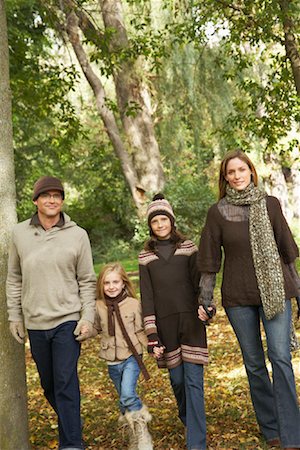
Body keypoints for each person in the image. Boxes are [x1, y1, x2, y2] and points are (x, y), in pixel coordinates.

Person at [197, 150, 300, 450]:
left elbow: (287, 252)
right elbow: (209, 261)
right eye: (232, 172)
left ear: (251, 172)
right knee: (254, 364)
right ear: (225, 177)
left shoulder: (270, 204)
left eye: (242, 170)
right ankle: (271, 429)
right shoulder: (218, 212)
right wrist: (206, 299)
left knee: (280, 359)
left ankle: (293, 433)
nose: (238, 175)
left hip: (276, 293)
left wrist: (298, 291)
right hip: (238, 297)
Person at [6, 176, 96, 450]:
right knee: (49, 385)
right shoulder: (20, 234)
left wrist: (87, 316)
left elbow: (87, 280)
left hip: (67, 320)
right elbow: (14, 278)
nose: (52, 200)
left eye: (57, 195)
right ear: (35, 201)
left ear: (62, 201)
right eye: (46, 196)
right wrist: (14, 315)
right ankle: (72, 425)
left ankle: (71, 443)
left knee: (65, 381)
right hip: (35, 322)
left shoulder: (77, 234)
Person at [139, 194, 211, 450]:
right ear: (150, 225)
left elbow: (201, 282)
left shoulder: (188, 248)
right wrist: (152, 335)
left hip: (191, 322)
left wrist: (206, 306)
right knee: (178, 381)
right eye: (155, 221)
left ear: (171, 221)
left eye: (164, 219)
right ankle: (188, 418)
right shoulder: (145, 257)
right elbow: (146, 297)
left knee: (193, 382)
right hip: (166, 327)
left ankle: (197, 442)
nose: (160, 225)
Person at [91, 262, 153, 450]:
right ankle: (134, 436)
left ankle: (142, 428)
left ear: (124, 283)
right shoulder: (98, 306)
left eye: (115, 282)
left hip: (132, 356)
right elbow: (95, 327)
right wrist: (83, 331)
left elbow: (141, 329)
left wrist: (151, 345)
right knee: (123, 400)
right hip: (112, 360)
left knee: (127, 393)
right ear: (101, 285)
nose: (111, 287)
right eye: (107, 283)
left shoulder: (134, 304)